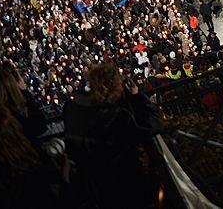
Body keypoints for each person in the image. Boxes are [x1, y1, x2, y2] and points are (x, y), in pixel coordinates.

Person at [63, 62, 166, 207]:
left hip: (90, 186)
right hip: (123, 183)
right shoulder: (115, 116)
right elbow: (154, 125)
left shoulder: (71, 109)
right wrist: (136, 98)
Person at [0, 65, 54, 207]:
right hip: (28, 187)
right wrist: (25, 92)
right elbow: (40, 124)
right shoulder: (9, 119)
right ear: (10, 89)